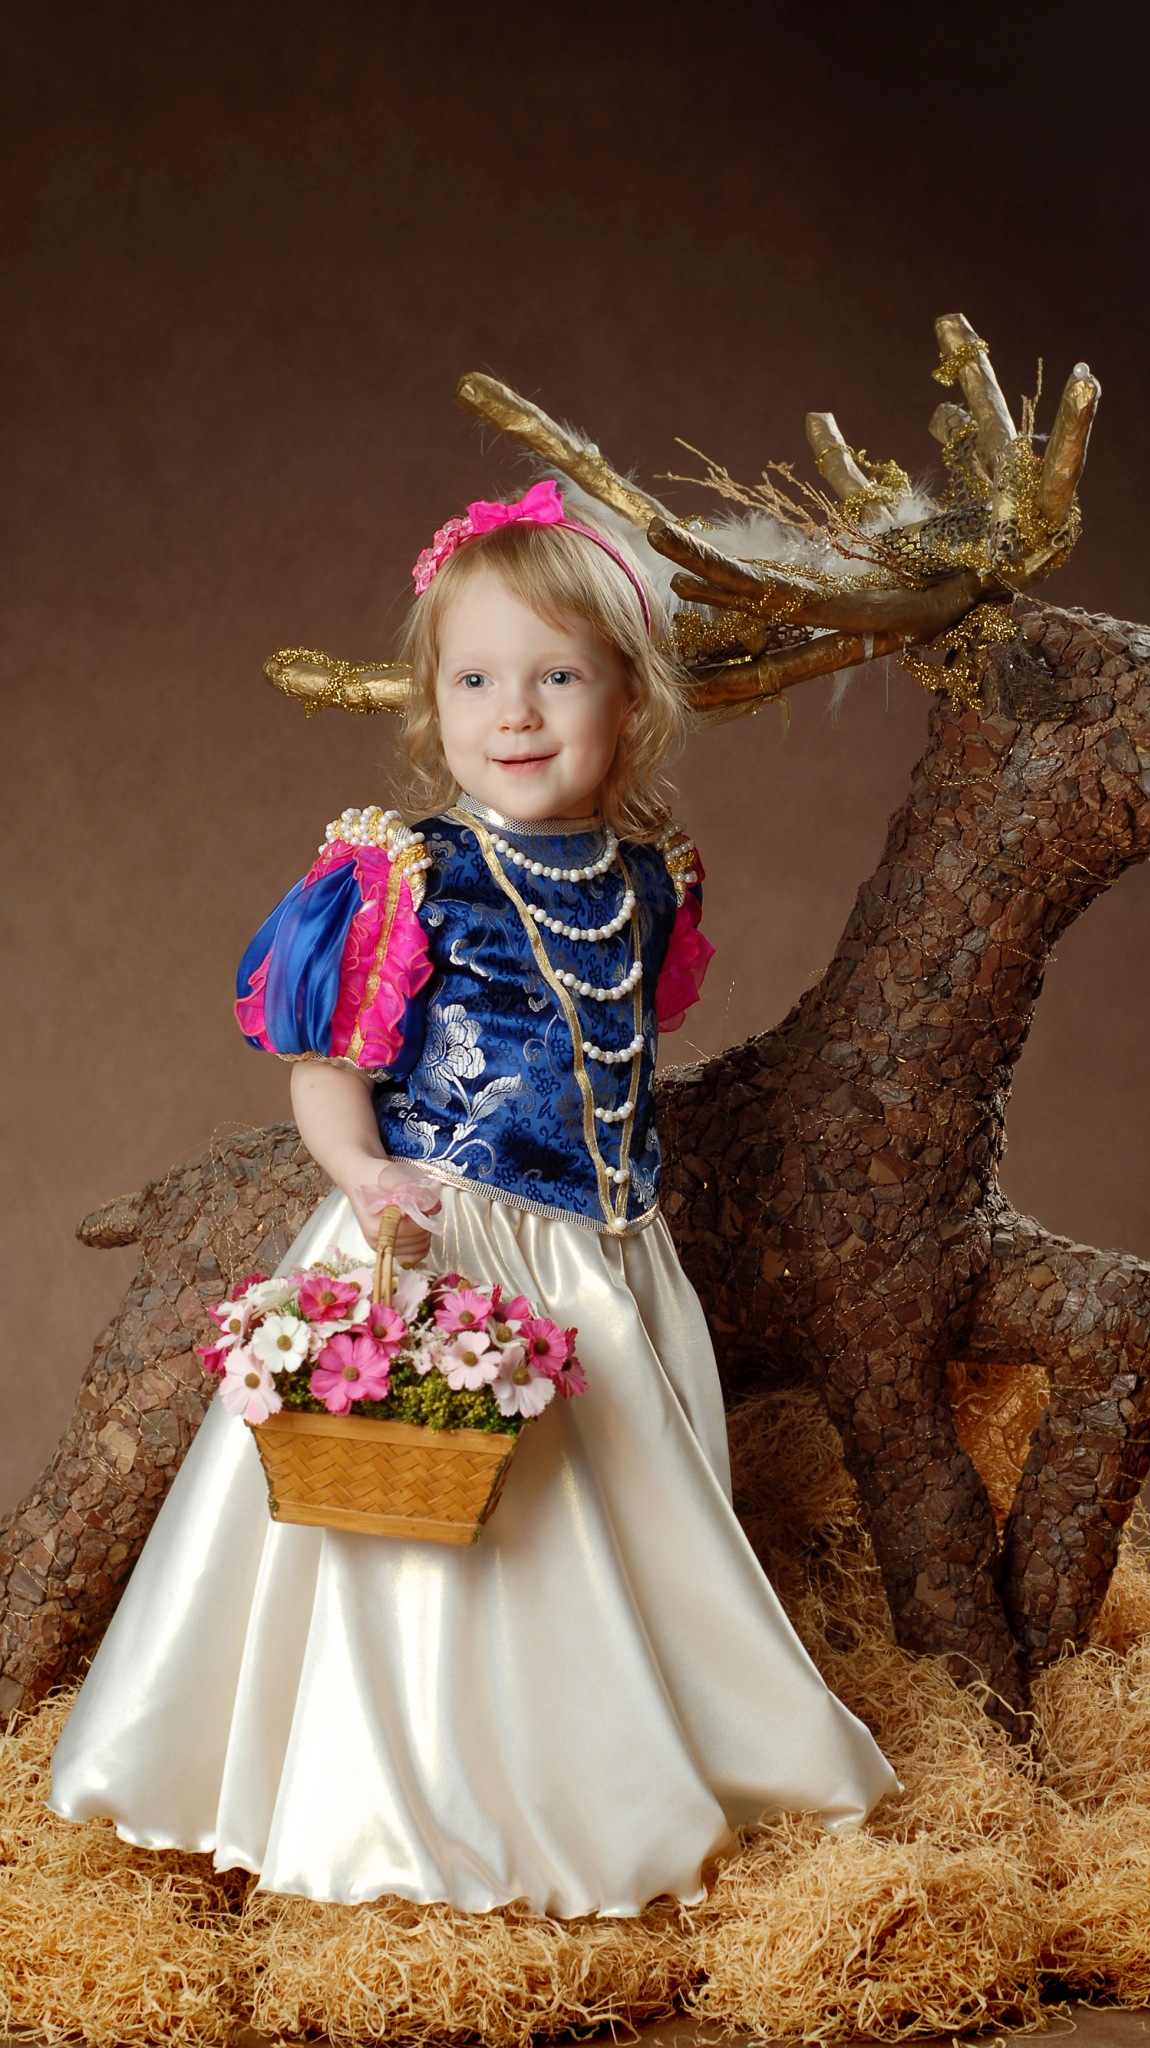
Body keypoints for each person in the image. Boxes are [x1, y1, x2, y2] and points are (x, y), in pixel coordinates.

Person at [48, 480, 897, 1917]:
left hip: (607, 1255)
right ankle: (410, 1805)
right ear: (432, 701)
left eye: (558, 677)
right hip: (448, 1235)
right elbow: (327, 1064)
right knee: (440, 1532)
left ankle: (617, 1765)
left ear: (632, 699)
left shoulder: (648, 876)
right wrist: (363, 1172)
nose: (516, 713)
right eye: (477, 680)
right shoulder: (403, 874)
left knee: (623, 1522)